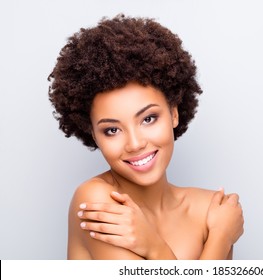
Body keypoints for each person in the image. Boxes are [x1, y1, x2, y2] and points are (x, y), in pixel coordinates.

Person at [48, 14, 244, 260]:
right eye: (112, 130)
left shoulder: (210, 210)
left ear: (174, 113)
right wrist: (220, 238)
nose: (135, 143)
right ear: (93, 135)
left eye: (148, 119)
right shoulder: (96, 203)